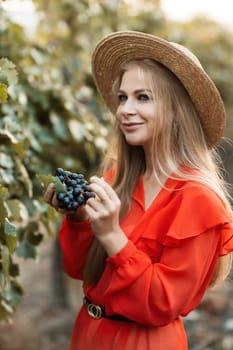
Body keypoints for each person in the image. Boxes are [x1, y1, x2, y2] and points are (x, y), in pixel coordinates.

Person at [43, 31, 233, 350]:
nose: (125, 110)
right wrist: (79, 220)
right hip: (88, 333)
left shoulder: (199, 202)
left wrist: (113, 235)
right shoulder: (120, 177)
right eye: (122, 97)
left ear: (176, 110)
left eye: (142, 97)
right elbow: (80, 271)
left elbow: (161, 305)